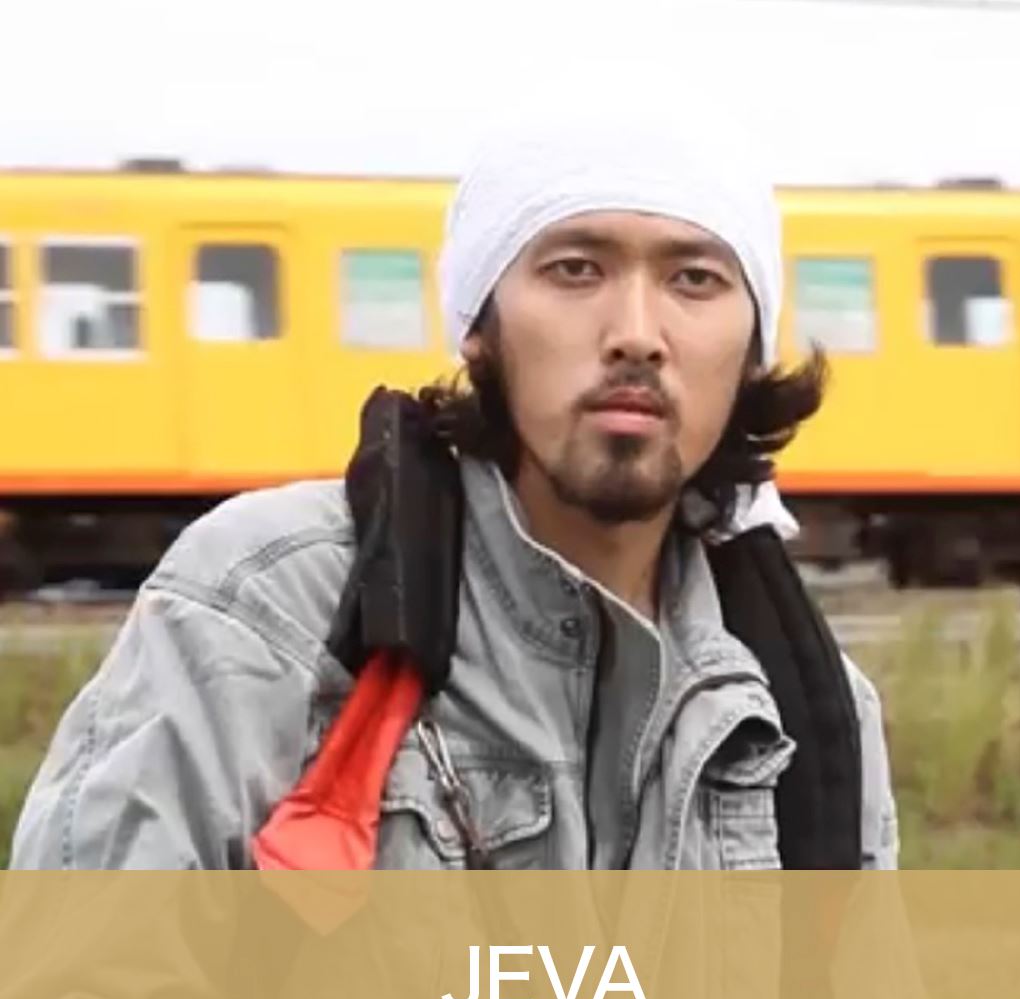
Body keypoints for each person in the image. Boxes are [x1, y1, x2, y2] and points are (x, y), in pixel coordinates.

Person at [9, 107, 898, 873]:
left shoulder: (814, 712)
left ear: (751, 347)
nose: (636, 333)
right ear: (478, 324)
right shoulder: (266, 609)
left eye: (694, 279)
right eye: (575, 269)